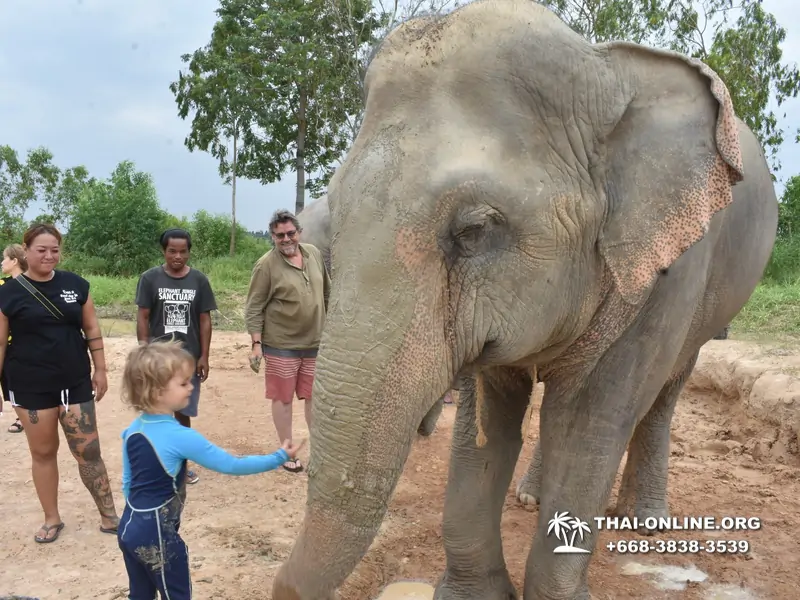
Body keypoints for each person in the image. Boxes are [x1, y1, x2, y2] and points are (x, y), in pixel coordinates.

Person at [117, 340, 304, 600]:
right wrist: (279, 457)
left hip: (128, 527)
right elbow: (231, 465)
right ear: (157, 391)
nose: (191, 387)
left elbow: (128, 483)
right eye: (183, 383)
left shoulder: (132, 431)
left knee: (140, 595)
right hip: (157, 536)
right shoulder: (179, 436)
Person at [0, 223, 119, 543]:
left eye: (55, 249)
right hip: (29, 385)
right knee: (43, 452)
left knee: (88, 451)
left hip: (74, 381)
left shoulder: (76, 285)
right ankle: (52, 519)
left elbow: (92, 329)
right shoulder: (7, 294)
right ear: (25, 250)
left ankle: (110, 515)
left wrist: (101, 369)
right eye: (41, 250)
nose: (49, 256)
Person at [245, 209, 330, 473]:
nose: (286, 239)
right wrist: (257, 344)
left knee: (314, 397)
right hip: (282, 345)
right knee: (283, 399)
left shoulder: (313, 254)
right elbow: (254, 307)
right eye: (280, 235)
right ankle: (287, 451)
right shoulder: (266, 265)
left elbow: (327, 292)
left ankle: (320, 452)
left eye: (290, 233)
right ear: (272, 236)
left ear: (299, 233)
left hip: (316, 343)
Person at [135, 228, 217, 485]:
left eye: (183, 251)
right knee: (155, 411)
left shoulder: (199, 281)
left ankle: (181, 467)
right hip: (159, 360)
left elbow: (205, 320)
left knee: (183, 413)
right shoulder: (149, 279)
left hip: (187, 360)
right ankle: (157, 465)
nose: (178, 256)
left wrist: (204, 355)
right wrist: (143, 351)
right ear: (164, 251)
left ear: (189, 252)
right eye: (172, 251)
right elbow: (143, 317)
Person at [1, 243, 27, 433]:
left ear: (14, 261)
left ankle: (24, 416)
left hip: (23, 342)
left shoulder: (30, 284)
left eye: (5, 258)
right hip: (7, 342)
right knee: (8, 381)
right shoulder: (4, 285)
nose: (2, 262)